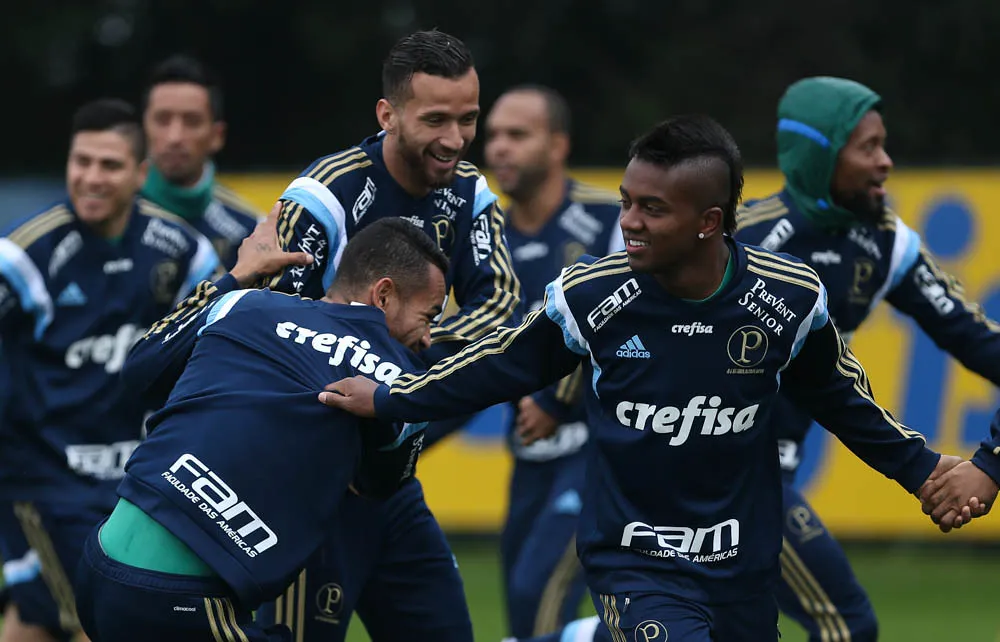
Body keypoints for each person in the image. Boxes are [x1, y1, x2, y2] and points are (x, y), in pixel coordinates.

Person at [319, 114, 967, 642]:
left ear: (708, 222)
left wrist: (924, 472)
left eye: (652, 209)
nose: (628, 221)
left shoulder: (788, 299)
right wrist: (390, 397)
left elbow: (843, 400)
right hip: (636, 562)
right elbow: (497, 364)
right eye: (627, 202)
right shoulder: (591, 295)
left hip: (742, 566)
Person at [255, 29, 522, 642]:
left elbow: (502, 302)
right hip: (310, 483)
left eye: (468, 119)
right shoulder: (324, 195)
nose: (455, 140)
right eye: (435, 120)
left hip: (391, 482)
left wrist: (401, 383)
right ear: (387, 114)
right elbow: (272, 330)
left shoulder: (470, 191)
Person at [74, 217, 447, 642]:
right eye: (428, 315)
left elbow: (140, 369)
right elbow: (383, 483)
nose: (428, 339)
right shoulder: (395, 380)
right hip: (176, 602)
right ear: (383, 295)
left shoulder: (244, 303)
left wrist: (232, 278)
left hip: (98, 562)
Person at [734, 76, 1000, 642]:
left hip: (767, 476)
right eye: (867, 147)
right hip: (711, 475)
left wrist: (991, 461)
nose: (886, 162)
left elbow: (980, 343)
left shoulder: (886, 241)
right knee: (847, 625)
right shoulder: (738, 244)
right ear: (818, 153)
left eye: (884, 144)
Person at [0, 99, 220, 642]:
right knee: (96, 622)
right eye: (81, 162)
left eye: (109, 165)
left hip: (134, 484)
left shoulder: (182, 252)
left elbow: (221, 345)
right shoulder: (27, 257)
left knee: (37, 622)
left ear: (140, 174)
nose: (91, 178)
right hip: (44, 484)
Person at [424, 85, 622, 638]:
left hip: (604, 455)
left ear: (558, 145)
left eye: (518, 134)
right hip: (531, 460)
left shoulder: (611, 220)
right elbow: (476, 360)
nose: (499, 149)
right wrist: (402, 429)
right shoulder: (489, 238)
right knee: (521, 610)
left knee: (539, 593)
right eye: (494, 136)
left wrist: (561, 400)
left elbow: (626, 327)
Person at [141, 54, 262, 270]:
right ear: (143, 128)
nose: (174, 137)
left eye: (192, 121)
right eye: (162, 120)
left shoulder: (251, 231)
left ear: (217, 136)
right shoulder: (109, 216)